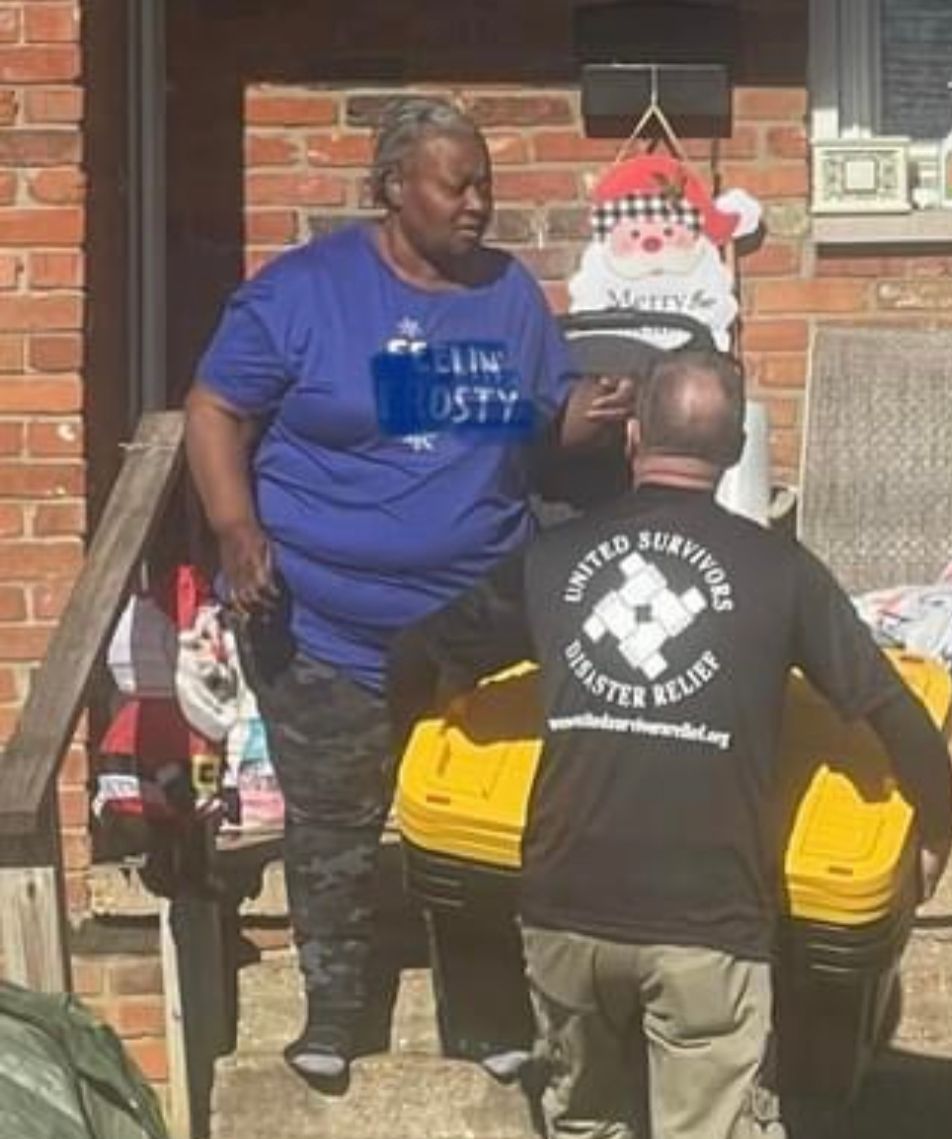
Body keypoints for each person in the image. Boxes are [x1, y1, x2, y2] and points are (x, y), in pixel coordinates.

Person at [388, 349, 952, 1139]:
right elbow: (896, 714)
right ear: (731, 456)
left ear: (631, 438)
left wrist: (412, 746)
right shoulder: (780, 571)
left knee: (583, 1124)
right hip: (707, 922)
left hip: (566, 908)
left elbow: (417, 654)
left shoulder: (552, 559)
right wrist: (937, 827)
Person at [184, 94, 631, 1091]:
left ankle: (484, 1016)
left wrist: (584, 420)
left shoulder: (509, 294)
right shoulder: (304, 294)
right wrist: (236, 527)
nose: (478, 204)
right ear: (393, 188)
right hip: (326, 620)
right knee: (337, 820)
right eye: (456, 184)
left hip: (474, 624)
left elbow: (528, 424)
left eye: (486, 185)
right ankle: (336, 1010)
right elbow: (214, 406)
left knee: (474, 819)